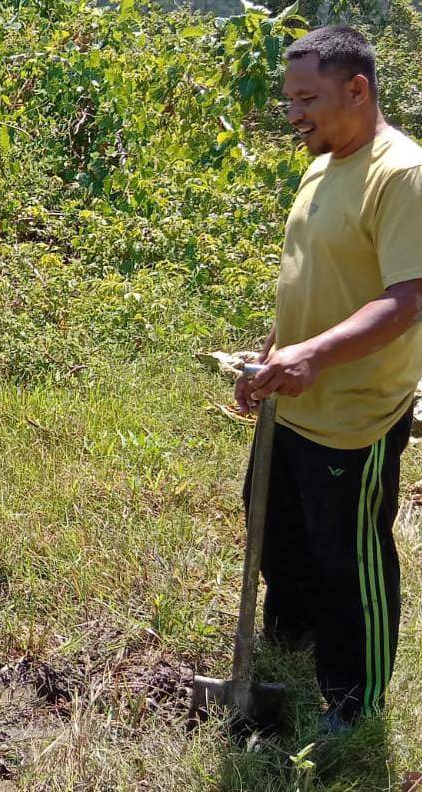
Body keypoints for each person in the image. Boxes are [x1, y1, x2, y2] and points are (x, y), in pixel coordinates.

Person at [234, 26, 422, 732]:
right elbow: (316, 276)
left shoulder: (399, 172)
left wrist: (313, 357)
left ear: (357, 89)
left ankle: (353, 703)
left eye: (305, 98)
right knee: (275, 533)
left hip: (354, 412)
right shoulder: (322, 162)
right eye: (289, 100)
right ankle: (290, 650)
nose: (292, 114)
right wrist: (273, 355)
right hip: (292, 402)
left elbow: (408, 296)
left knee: (349, 565)